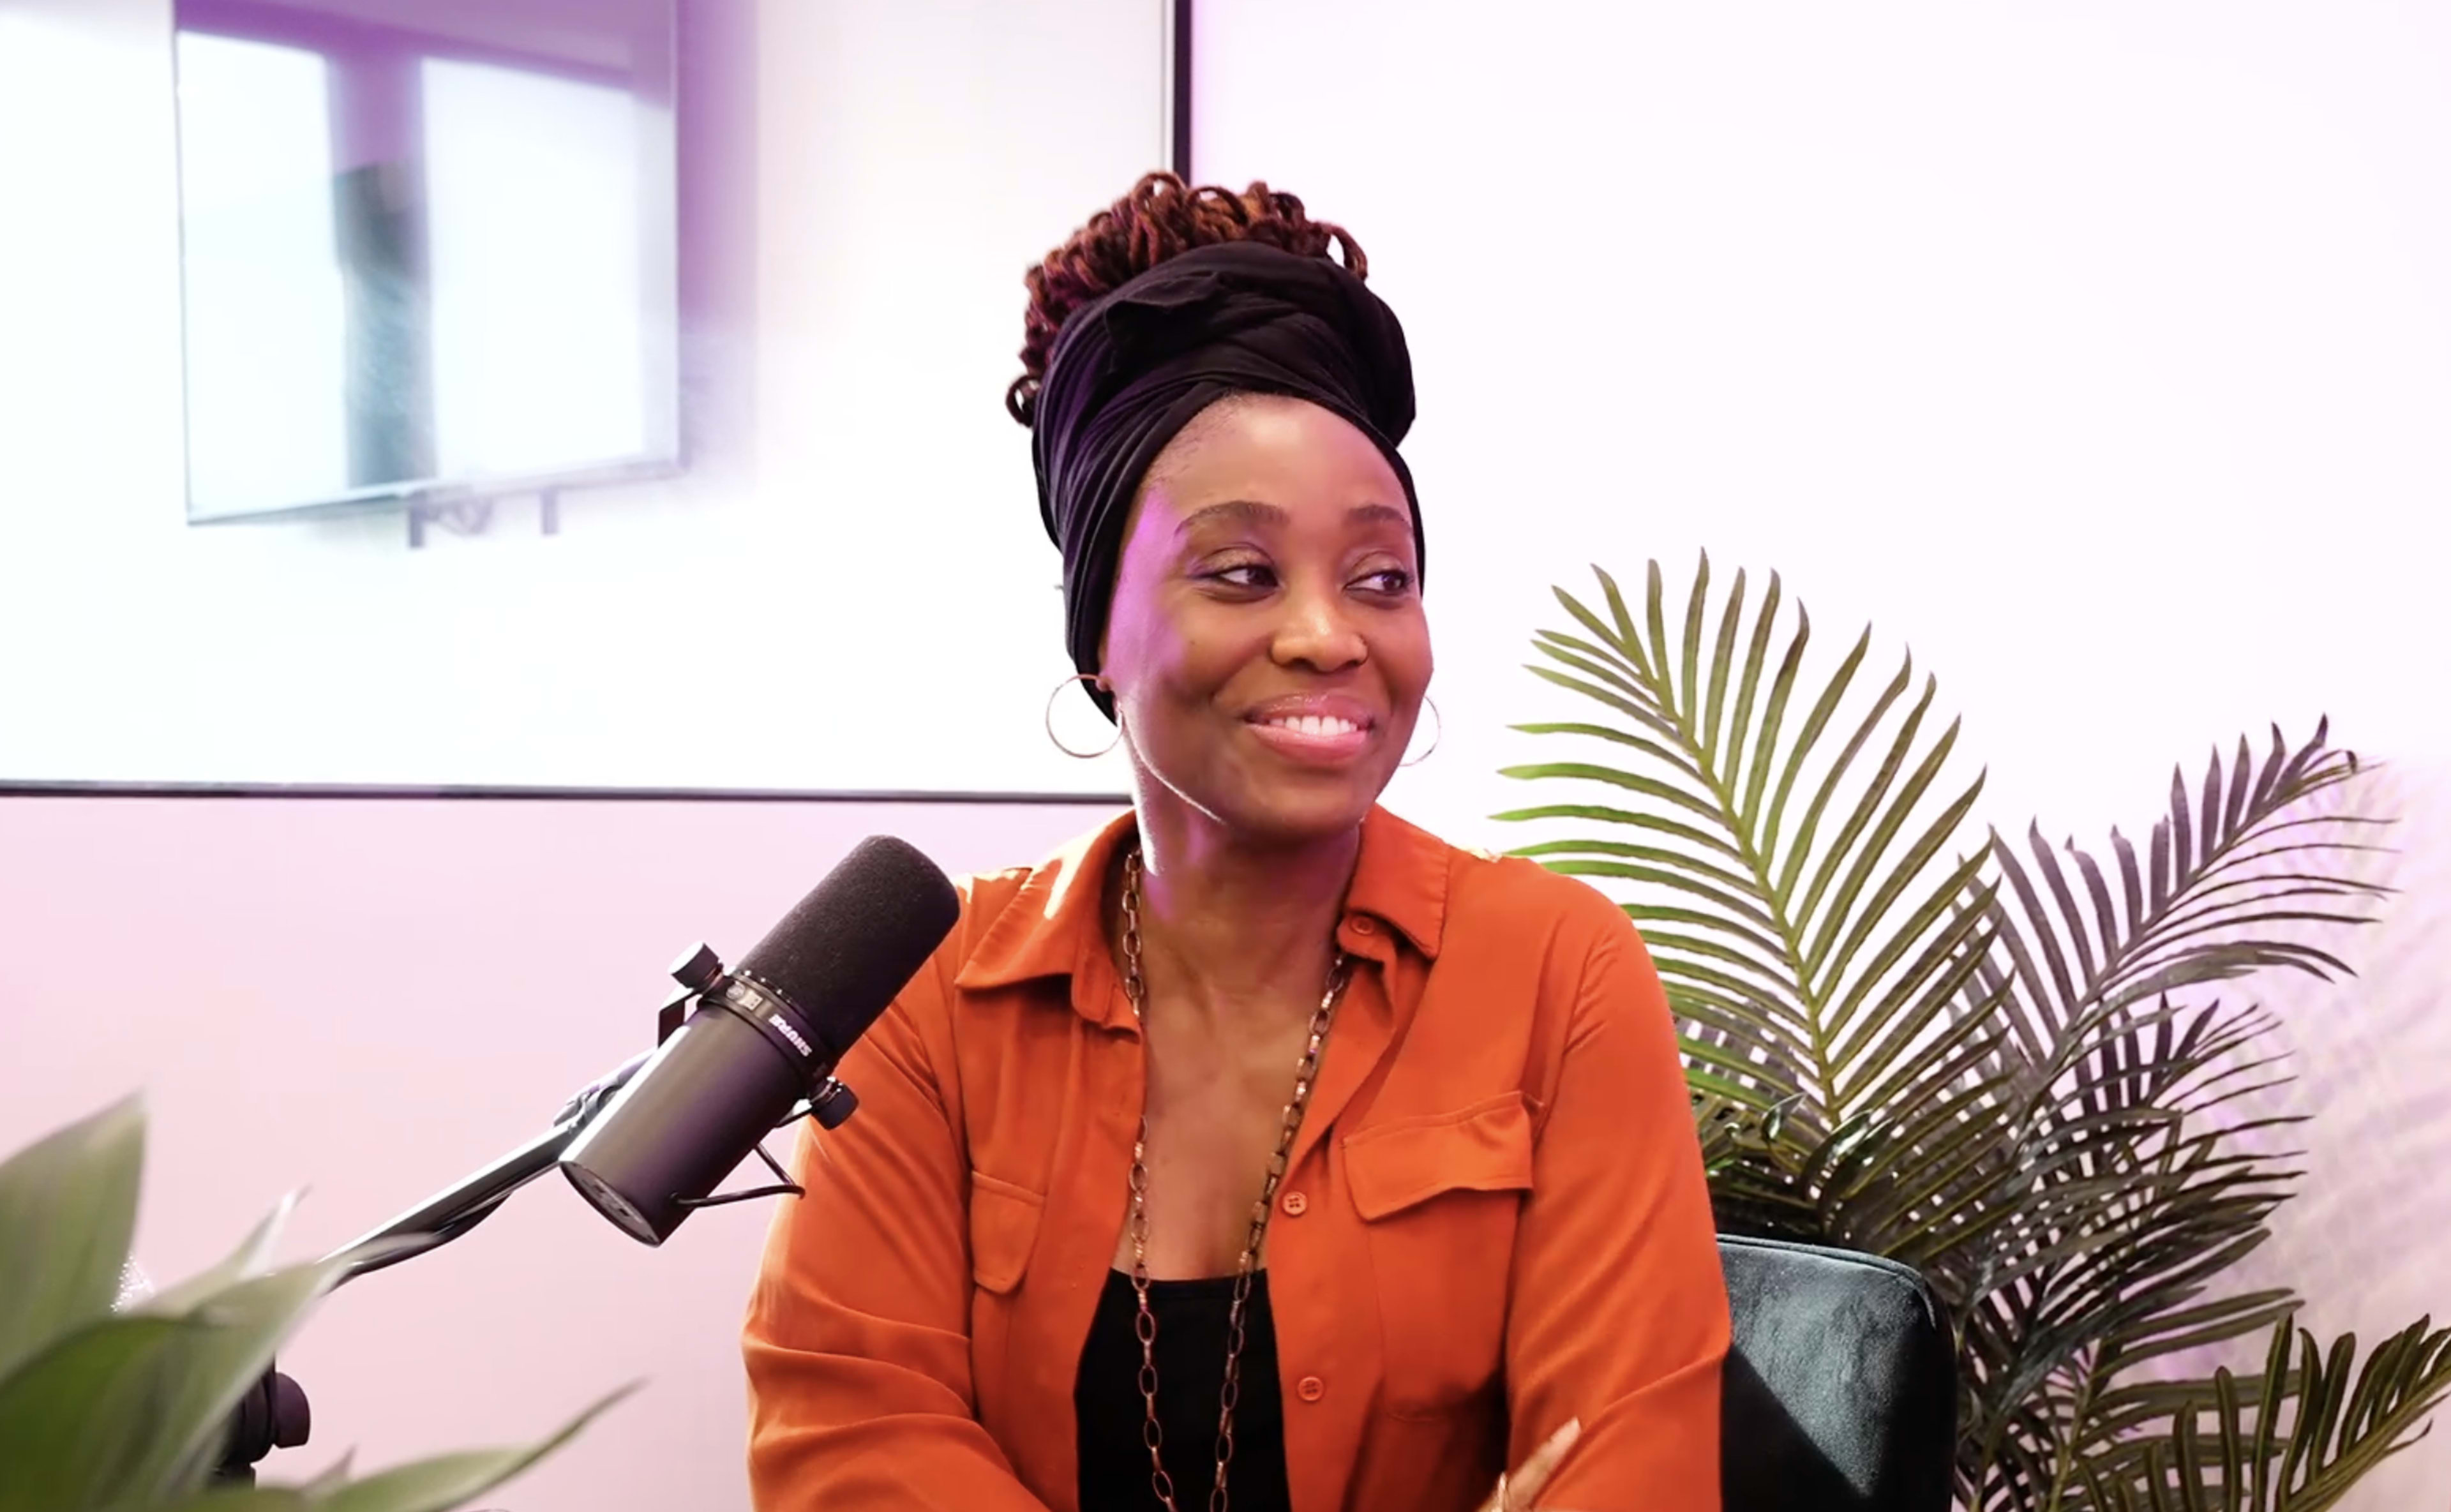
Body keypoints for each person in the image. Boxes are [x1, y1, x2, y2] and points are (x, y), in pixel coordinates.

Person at [743, 172, 1727, 1512]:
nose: (1330, 634)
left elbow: (1630, 1481)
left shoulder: (1559, 976)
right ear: (1101, 637)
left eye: (1382, 578)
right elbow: (846, 1448)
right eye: (1242, 574)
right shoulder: (930, 996)